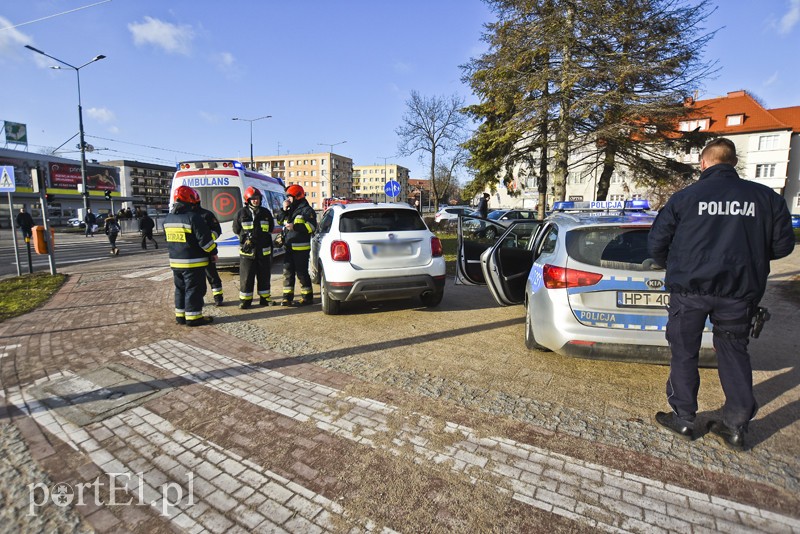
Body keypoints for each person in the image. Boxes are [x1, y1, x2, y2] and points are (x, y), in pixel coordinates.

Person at [648, 138, 795, 451]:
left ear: (704, 163)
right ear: (734, 162)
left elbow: (656, 244)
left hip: (689, 291)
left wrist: (675, 265)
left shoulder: (685, 198)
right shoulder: (765, 198)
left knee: (684, 351)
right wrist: (749, 255)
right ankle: (736, 424)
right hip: (739, 292)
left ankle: (684, 418)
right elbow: (784, 246)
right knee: (733, 352)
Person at [164, 185, 218, 326]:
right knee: (194, 290)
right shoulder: (194, 218)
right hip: (193, 262)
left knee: (180, 289)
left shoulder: (168, 218)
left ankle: (180, 316)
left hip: (175, 262)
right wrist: (214, 252)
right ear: (191, 199)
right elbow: (206, 243)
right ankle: (194, 318)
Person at [232, 186, 275, 308]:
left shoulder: (265, 213)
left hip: (263, 251)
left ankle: (265, 298)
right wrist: (246, 239)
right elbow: (236, 229)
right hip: (248, 253)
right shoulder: (241, 213)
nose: (256, 201)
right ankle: (245, 301)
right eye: (253, 199)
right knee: (246, 277)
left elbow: (270, 228)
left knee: (264, 276)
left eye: (257, 198)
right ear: (248, 200)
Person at [276, 184, 317, 306]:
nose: (288, 200)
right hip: (289, 247)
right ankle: (287, 298)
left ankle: (307, 297)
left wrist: (295, 227)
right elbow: (279, 220)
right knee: (287, 272)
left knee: (301, 273)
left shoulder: (307, 210)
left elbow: (312, 227)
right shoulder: (290, 209)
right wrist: (283, 209)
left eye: (290, 197)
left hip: (301, 248)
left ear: (298, 196)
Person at [196, 200, 224, 305]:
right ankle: (199, 299)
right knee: (196, 279)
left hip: (207, 251)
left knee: (212, 275)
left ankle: (218, 297)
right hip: (193, 253)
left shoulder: (206, 214)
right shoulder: (186, 216)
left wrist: (208, 239)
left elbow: (217, 230)